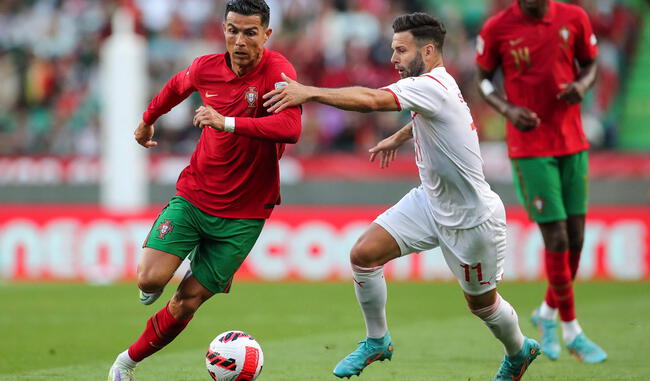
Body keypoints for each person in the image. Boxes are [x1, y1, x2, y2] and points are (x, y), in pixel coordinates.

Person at [264, 12, 539, 381]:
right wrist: (400, 136)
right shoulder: (437, 84)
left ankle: (518, 351)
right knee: (363, 254)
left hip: (471, 219)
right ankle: (377, 341)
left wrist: (310, 92)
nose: (392, 57)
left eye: (400, 50)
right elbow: (435, 120)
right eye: (393, 49)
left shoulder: (430, 86)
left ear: (427, 51)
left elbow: (371, 100)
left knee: (482, 306)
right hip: (429, 202)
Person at [108, 1, 301, 380]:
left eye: (249, 32)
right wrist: (148, 120)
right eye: (232, 30)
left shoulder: (278, 71)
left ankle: (125, 363)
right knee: (149, 280)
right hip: (196, 196)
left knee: (186, 302)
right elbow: (176, 86)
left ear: (267, 34)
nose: (239, 40)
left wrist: (226, 122)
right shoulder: (206, 67)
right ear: (223, 29)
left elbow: (290, 128)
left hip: (245, 214)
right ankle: (165, 269)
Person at [475, 0, 606, 363]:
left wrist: (582, 84)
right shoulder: (497, 28)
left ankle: (546, 315)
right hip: (530, 146)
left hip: (572, 141)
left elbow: (591, 64)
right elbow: (483, 79)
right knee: (558, 237)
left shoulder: (574, 17)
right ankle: (572, 331)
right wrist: (507, 109)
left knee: (577, 238)